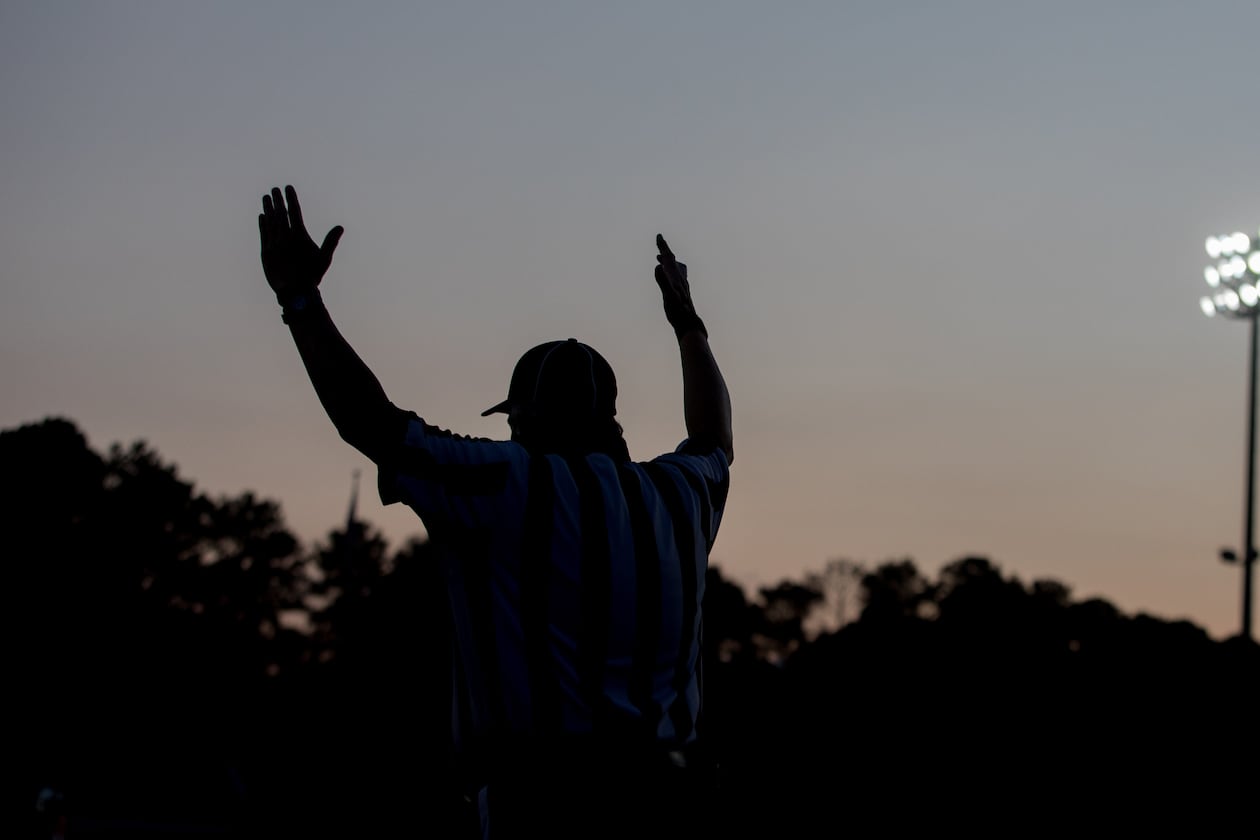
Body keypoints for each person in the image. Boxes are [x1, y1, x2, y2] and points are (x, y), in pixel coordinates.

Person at [256, 185, 733, 839]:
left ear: (526, 420)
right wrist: (689, 325)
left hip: (543, 808)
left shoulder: (504, 482)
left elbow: (372, 424)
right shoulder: (679, 495)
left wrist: (300, 302)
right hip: (673, 810)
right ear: (610, 422)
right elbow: (714, 436)